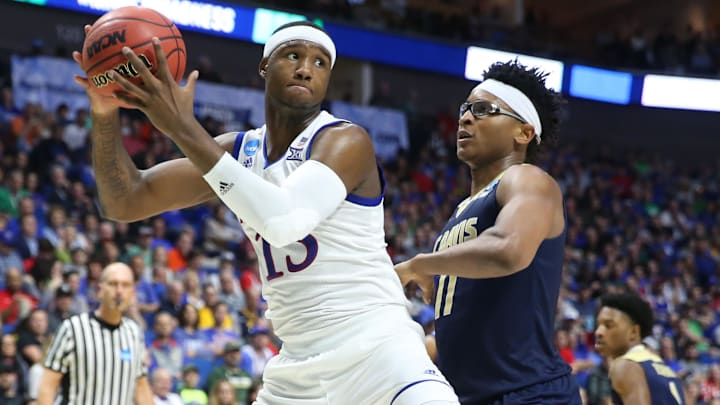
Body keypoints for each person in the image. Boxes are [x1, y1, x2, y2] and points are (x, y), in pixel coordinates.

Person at [72, 20, 458, 404]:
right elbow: (124, 201)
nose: (306, 68)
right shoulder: (239, 152)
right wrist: (104, 114)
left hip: (378, 351)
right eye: (293, 55)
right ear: (264, 66)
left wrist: (180, 127)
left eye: (320, 62)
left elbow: (285, 222)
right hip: (298, 370)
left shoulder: (345, 139)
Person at [394, 60, 582, 404]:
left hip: (527, 394)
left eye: (483, 110)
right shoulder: (463, 210)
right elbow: (466, 323)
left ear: (523, 133)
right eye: (465, 109)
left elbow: (508, 249)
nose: (465, 118)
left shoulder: (526, 179)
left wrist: (423, 264)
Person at [37, 262, 153, 405]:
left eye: (125, 285)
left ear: (132, 293)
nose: (119, 291)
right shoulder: (73, 328)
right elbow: (48, 385)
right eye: (113, 284)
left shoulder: (134, 332)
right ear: (100, 289)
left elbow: (141, 387)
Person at [594, 293, 686, 404]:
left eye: (609, 325)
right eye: (598, 324)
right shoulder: (663, 367)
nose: (598, 332)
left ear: (633, 332)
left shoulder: (626, 365)